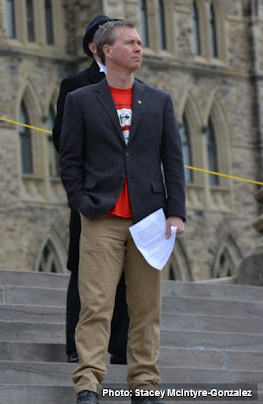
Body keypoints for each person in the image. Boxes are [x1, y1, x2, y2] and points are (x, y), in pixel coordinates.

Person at [59, 20, 186, 404]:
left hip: (150, 220)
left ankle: (145, 386)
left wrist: (175, 212)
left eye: (140, 43)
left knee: (146, 308)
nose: (138, 48)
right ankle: (88, 384)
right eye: (130, 43)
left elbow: (173, 161)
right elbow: (69, 159)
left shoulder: (159, 101)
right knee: (96, 304)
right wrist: (80, 200)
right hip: (101, 217)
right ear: (105, 50)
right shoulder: (81, 100)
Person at [53, 14, 129, 364]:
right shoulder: (75, 84)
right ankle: (76, 345)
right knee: (84, 269)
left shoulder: (133, 86)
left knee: (127, 272)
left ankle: (121, 344)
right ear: (95, 47)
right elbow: (63, 139)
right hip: (92, 193)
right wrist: (80, 193)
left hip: (130, 196)